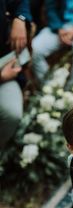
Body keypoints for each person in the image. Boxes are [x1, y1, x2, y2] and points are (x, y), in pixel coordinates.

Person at [0, 0, 32, 149]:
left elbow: (21, 2)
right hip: (2, 74)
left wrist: (20, 18)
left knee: (12, 114)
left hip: (6, 66)